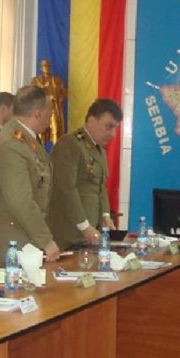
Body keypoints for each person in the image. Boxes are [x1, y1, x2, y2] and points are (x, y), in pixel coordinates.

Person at [0, 85, 60, 267]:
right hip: (14, 245)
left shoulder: (26, 139)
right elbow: (21, 201)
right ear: (37, 113)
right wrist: (46, 240)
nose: (50, 119)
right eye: (49, 113)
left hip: (27, 241)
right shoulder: (11, 144)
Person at [48, 99, 121, 249]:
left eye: (115, 128)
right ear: (92, 121)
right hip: (69, 235)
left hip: (89, 234)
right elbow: (66, 189)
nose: (113, 134)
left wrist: (106, 216)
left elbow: (101, 188)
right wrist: (84, 226)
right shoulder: (70, 144)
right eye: (109, 127)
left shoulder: (99, 150)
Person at [30, 60, 67, 146]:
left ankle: (56, 153)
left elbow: (64, 92)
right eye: (44, 66)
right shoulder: (36, 81)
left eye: (47, 66)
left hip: (54, 109)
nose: (46, 68)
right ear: (41, 68)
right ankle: (39, 152)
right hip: (41, 110)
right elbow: (31, 94)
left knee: (56, 130)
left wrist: (57, 96)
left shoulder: (56, 80)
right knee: (40, 132)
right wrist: (46, 96)